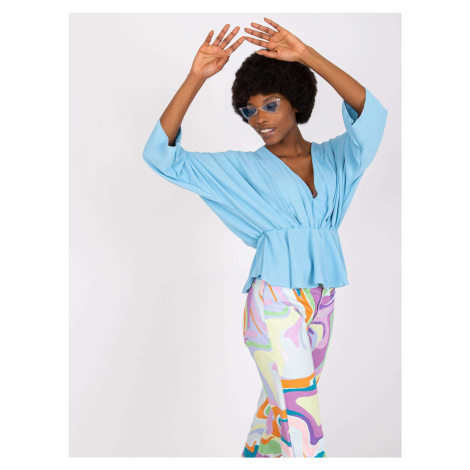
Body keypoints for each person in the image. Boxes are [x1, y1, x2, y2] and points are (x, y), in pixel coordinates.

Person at [142, 18, 388, 458]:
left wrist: (306, 55)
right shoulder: (242, 169)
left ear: (295, 100)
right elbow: (159, 155)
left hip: (322, 299)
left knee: (276, 421)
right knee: (301, 418)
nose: (259, 118)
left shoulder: (338, 157)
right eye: (249, 111)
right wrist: (196, 77)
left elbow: (373, 116)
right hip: (274, 299)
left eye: (270, 105)